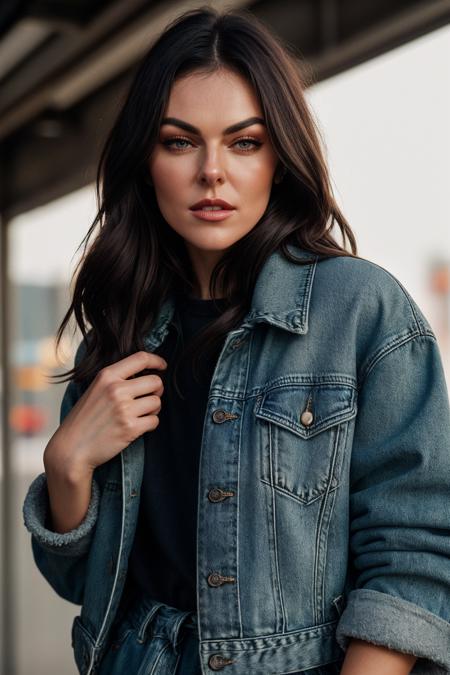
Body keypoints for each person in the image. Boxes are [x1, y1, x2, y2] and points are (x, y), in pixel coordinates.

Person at [22, 6, 450, 675]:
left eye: (244, 142)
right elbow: (82, 585)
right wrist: (67, 464)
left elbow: (416, 551)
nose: (212, 172)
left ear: (279, 157)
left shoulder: (361, 309)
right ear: (147, 161)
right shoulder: (118, 334)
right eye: (179, 141)